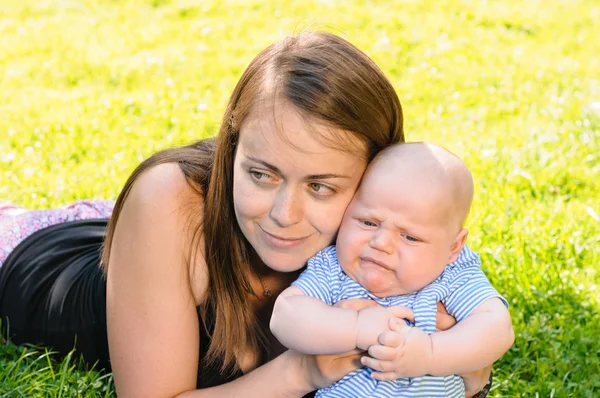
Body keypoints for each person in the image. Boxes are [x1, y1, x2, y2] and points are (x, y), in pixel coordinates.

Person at [0, 31, 493, 397]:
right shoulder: (169, 203)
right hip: (41, 260)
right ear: (230, 151)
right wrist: (300, 372)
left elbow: (468, 368)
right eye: (262, 174)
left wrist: (458, 361)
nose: (285, 214)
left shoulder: (387, 231)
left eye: (320, 186)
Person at [270, 142, 514, 397]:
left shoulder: (453, 274)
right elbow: (285, 315)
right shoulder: (333, 268)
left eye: (410, 237)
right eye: (368, 222)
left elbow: (497, 327)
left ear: (453, 247)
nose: (381, 243)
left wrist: (430, 353)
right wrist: (356, 328)